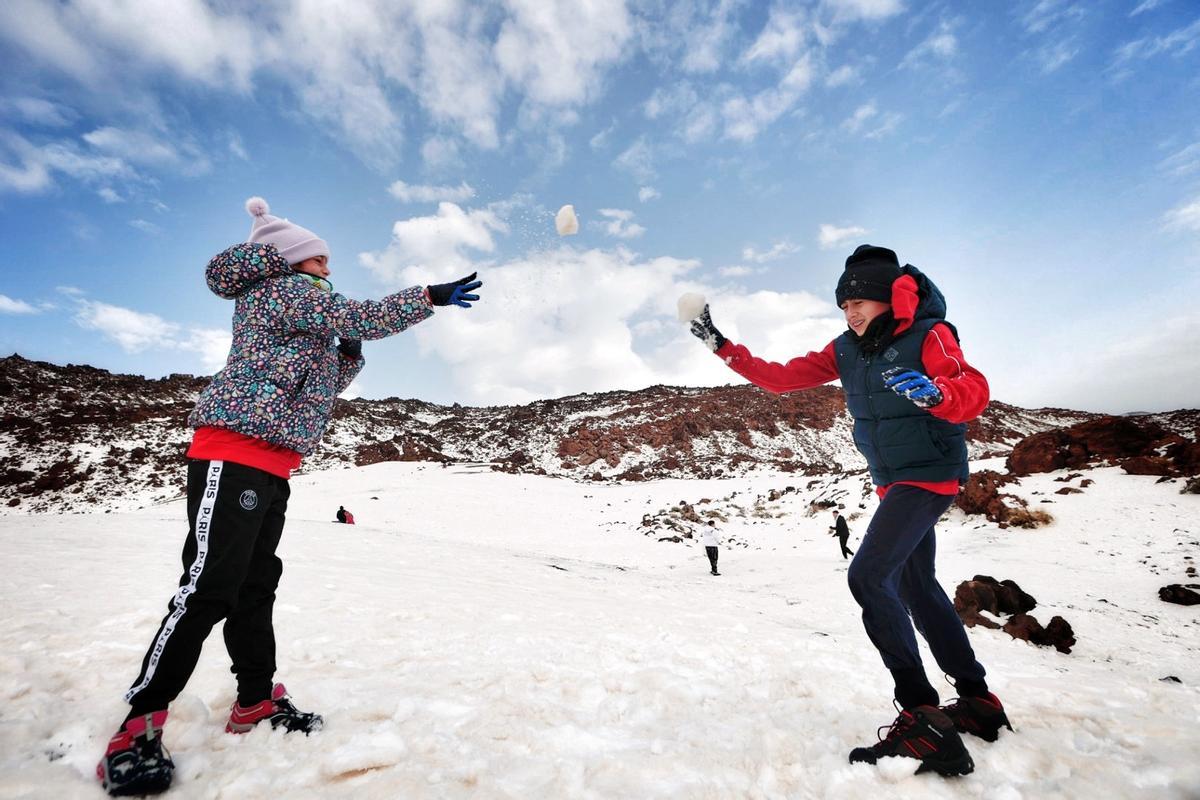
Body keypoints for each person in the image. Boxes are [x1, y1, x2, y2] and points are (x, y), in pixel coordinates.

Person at [97, 197, 483, 797]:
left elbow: (328, 379)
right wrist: (428, 297)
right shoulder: (283, 287)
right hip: (234, 451)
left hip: (272, 462)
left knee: (254, 586)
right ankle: (137, 727)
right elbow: (365, 313)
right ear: (290, 258)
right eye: (320, 257)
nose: (328, 265)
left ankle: (253, 702)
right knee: (209, 588)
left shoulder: (300, 301)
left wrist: (347, 348)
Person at [687, 244, 1011, 777]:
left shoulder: (928, 334)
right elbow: (781, 376)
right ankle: (977, 702)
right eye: (844, 304)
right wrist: (722, 345)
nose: (851, 311)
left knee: (868, 576)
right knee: (915, 587)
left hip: (928, 473)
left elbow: (971, 388)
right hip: (894, 483)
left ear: (890, 296)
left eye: (861, 300)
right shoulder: (845, 349)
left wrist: (936, 395)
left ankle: (922, 716)